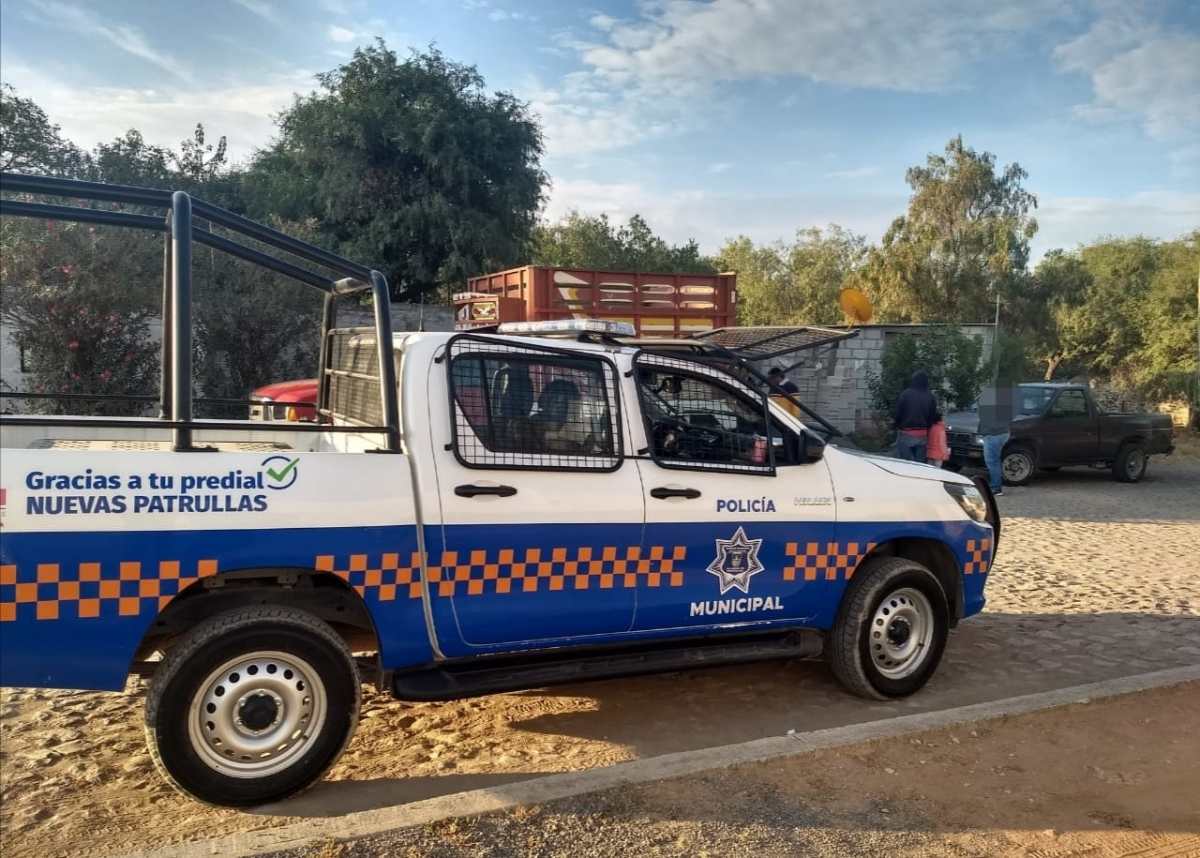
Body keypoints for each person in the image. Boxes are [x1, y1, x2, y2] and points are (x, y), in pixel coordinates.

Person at [893, 370, 940, 462]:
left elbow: (898, 413)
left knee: (904, 463)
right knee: (920, 464)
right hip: (922, 434)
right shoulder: (930, 396)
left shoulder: (905, 394)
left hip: (906, 433)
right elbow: (932, 416)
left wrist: (896, 425)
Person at [978, 383, 1014, 496]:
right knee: (995, 461)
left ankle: (996, 488)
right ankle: (995, 485)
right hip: (1003, 433)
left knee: (992, 461)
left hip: (992, 434)